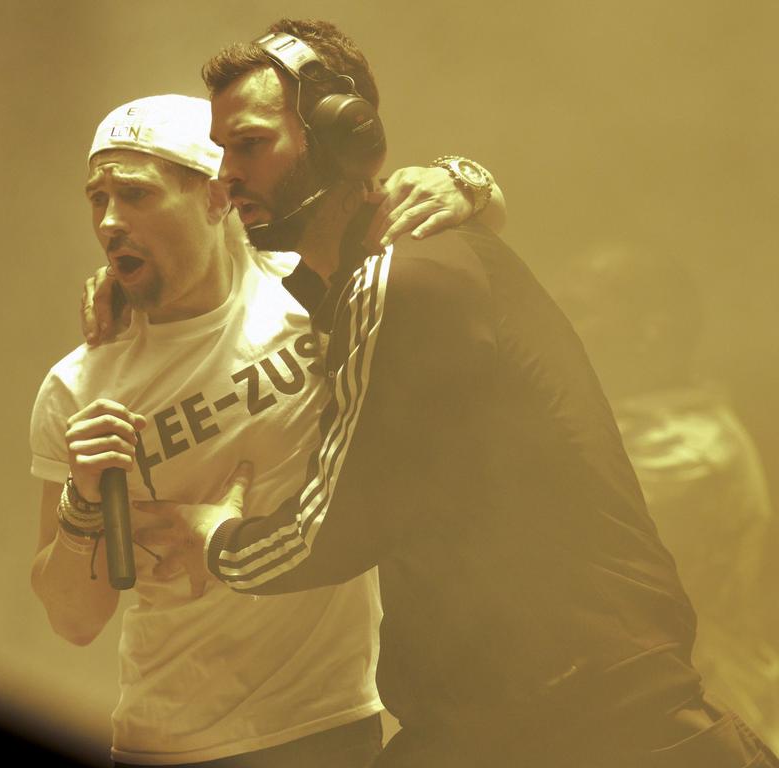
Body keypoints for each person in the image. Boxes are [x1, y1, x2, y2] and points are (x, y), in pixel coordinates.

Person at [133, 18, 779, 768]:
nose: (227, 175)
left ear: (345, 138)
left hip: (577, 718)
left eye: (249, 144)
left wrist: (217, 537)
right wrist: (143, 290)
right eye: (220, 153)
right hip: (529, 710)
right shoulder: (387, 273)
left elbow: (331, 527)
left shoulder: (398, 277)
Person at [29, 94, 503, 767]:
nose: (108, 220)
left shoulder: (318, 290)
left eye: (135, 194)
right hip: (166, 742)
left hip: (333, 723)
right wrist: (81, 501)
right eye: (97, 198)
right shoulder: (79, 386)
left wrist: (467, 183)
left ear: (219, 196)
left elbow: (466, 234)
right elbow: (74, 621)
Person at [552, 243, 779, 751]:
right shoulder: (633, 424)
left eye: (579, 307)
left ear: (651, 330)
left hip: (701, 723)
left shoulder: (692, 450)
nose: (557, 324)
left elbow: (550, 538)